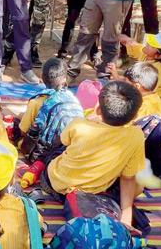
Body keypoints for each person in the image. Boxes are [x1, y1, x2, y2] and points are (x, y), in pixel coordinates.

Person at [38, 80, 145, 229]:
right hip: (93, 193)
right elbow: (128, 179)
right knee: (139, 185)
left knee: (58, 151)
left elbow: (64, 140)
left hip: (54, 184)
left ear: (98, 109)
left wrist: (89, 121)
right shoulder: (136, 136)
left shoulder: (79, 124)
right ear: (134, 117)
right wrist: (126, 219)